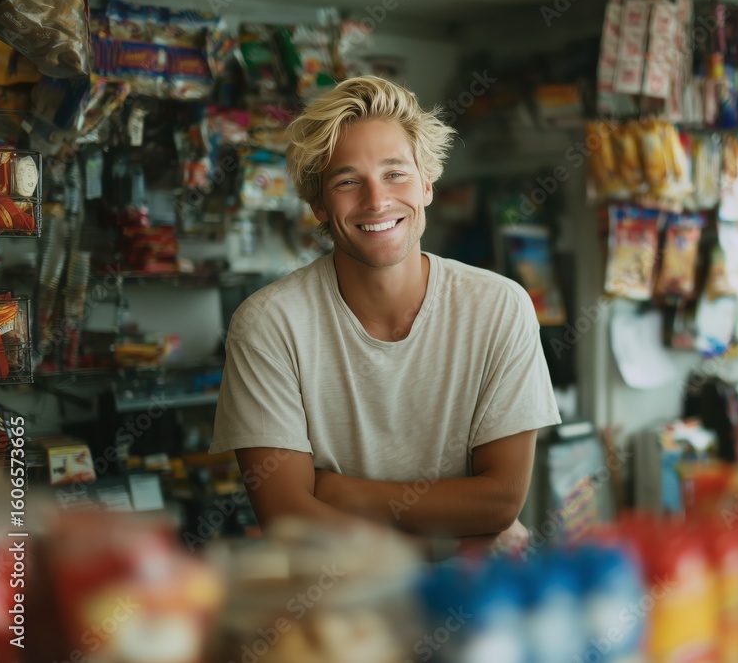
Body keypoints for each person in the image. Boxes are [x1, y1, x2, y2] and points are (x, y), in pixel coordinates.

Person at [210, 76, 561, 555]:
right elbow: (287, 517)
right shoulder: (269, 324)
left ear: (427, 186)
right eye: (348, 181)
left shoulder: (500, 306)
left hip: (475, 604)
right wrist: (448, 548)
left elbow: (500, 500)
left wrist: (342, 491)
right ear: (318, 204)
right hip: (338, 609)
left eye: (395, 173)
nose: (377, 201)